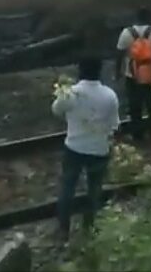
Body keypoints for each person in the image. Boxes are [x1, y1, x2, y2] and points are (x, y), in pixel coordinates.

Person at [53, 55, 120, 239]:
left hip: (74, 147)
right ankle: (89, 228)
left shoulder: (71, 93)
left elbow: (56, 110)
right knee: (94, 189)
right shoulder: (110, 96)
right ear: (100, 71)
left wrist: (62, 91)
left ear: (79, 70)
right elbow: (114, 125)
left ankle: (63, 229)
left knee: (67, 187)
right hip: (99, 149)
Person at [115, 7, 151, 142]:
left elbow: (119, 53)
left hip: (132, 74)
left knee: (135, 106)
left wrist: (117, 72)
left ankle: (137, 135)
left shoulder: (127, 33)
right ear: (149, 18)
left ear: (136, 18)